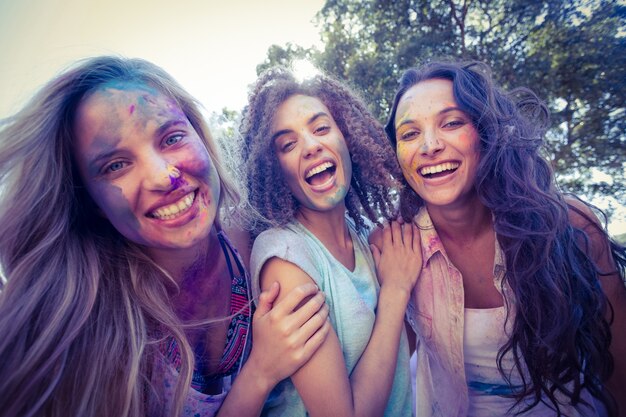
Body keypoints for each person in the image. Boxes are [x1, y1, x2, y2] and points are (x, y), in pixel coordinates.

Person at [0, 56, 332, 417]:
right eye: (116, 165)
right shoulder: (84, 328)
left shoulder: (262, 244)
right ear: (90, 201)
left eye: (172, 138)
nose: (163, 176)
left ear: (201, 138)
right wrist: (260, 373)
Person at [383, 60, 626, 416]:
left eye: (451, 123)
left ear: (486, 133)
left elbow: (619, 368)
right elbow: (389, 378)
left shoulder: (570, 227)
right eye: (409, 133)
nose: (430, 145)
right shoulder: (396, 247)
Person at [240, 67, 420, 417]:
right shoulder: (285, 256)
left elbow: (397, 356)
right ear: (274, 168)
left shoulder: (365, 237)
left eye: (321, 128)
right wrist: (396, 291)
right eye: (288, 144)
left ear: (347, 139)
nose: (310, 146)